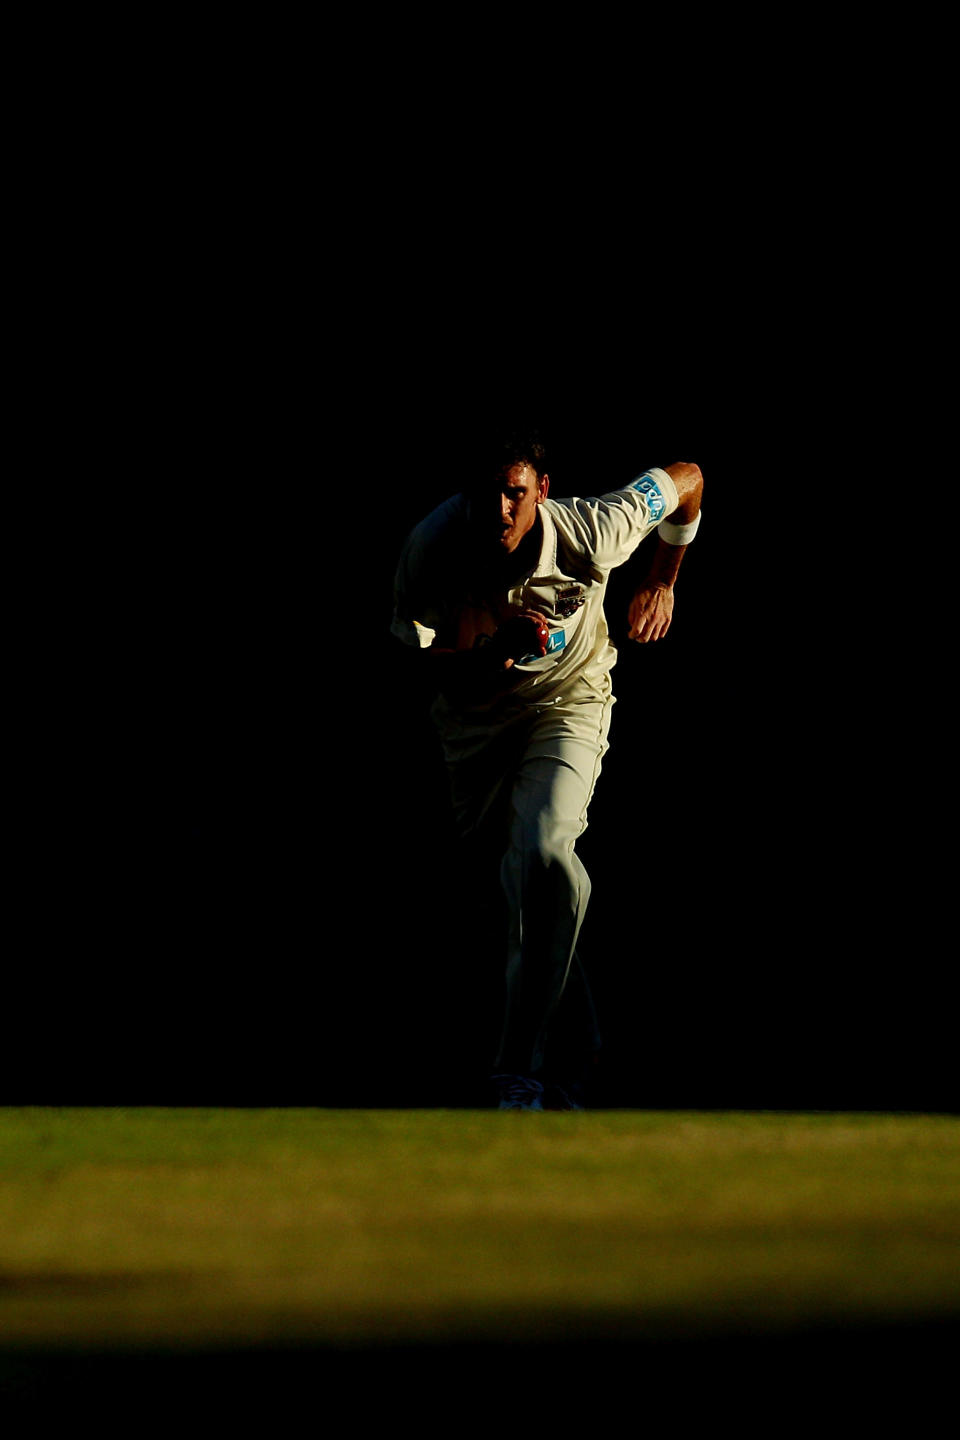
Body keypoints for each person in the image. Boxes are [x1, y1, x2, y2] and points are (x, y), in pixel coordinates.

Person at [391, 431, 703, 1110]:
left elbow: (688, 478)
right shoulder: (432, 548)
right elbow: (414, 660)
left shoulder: (595, 530)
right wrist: (486, 658)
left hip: (571, 704)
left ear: (542, 490)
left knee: (542, 849)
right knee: (506, 898)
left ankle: (519, 1073)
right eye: (486, 494)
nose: (501, 510)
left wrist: (659, 579)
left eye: (515, 492)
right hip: (476, 734)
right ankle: (582, 1057)